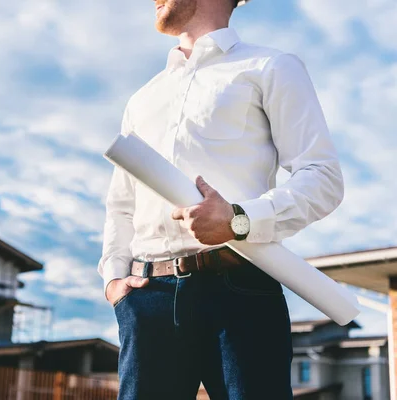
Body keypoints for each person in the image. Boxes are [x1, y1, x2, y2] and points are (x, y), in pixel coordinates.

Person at [97, 0, 344, 398]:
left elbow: (323, 178)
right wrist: (113, 278)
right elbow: (122, 204)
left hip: (242, 289)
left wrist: (238, 219)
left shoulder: (272, 67)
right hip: (147, 297)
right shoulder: (142, 99)